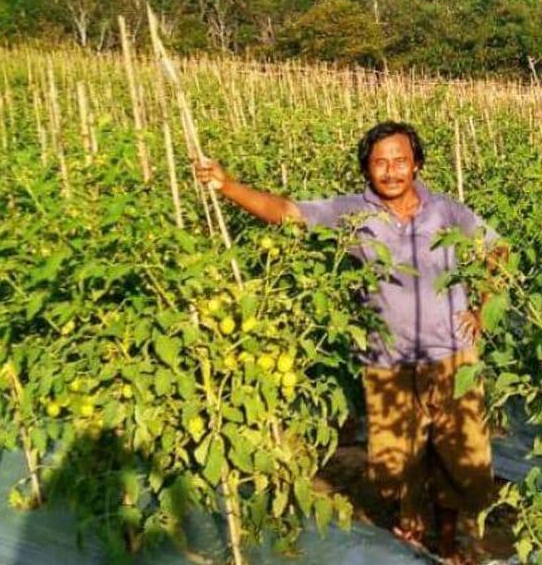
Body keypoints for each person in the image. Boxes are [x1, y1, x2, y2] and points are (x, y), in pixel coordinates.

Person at [196, 120, 505, 563]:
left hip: (452, 358)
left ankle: (451, 536)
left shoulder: (447, 211)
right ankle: (413, 527)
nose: (392, 171)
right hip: (386, 362)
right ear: (366, 169)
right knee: (398, 462)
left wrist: (483, 310)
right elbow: (287, 212)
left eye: (400, 160)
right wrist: (226, 185)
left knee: (461, 456)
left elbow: (496, 250)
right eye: (380, 162)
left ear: (417, 164)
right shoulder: (352, 212)